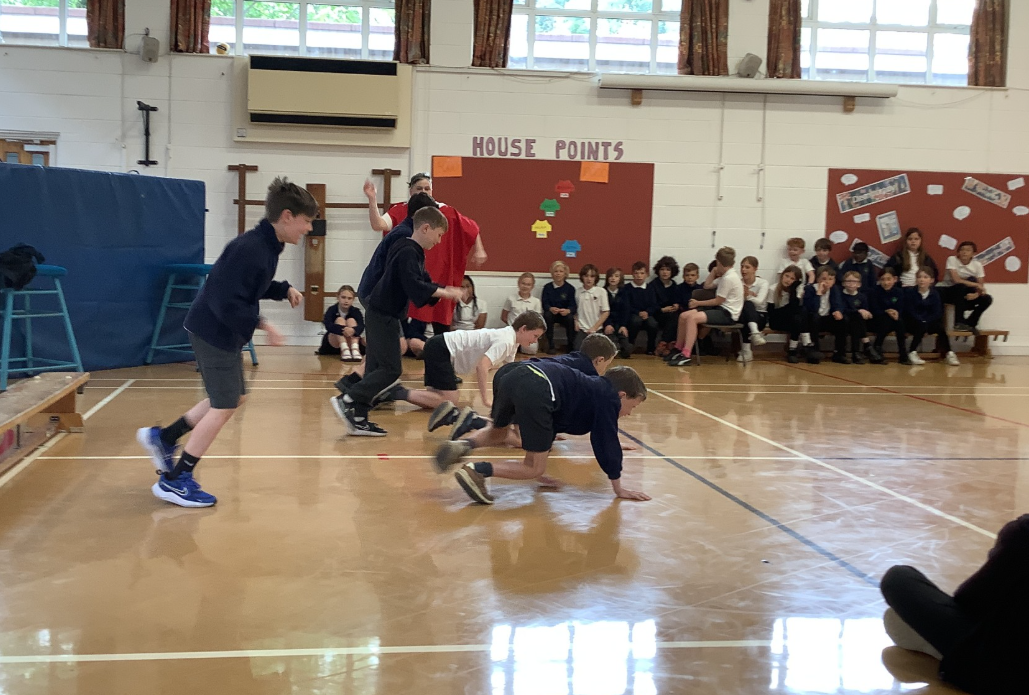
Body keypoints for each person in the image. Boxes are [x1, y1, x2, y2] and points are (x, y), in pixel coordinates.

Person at [136, 177, 317, 507]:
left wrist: (282, 289)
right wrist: (264, 324)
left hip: (221, 331)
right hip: (213, 332)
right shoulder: (252, 248)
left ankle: (164, 437)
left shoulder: (267, 245)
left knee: (234, 397)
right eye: (306, 221)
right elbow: (225, 299)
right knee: (224, 405)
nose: (308, 229)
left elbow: (251, 284)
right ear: (287, 216)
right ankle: (176, 481)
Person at [433, 364, 650, 505]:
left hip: (514, 376)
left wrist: (540, 465)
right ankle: (477, 471)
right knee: (533, 467)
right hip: (538, 388)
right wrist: (618, 487)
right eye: (633, 406)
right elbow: (605, 442)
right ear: (622, 395)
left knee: (499, 431)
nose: (629, 413)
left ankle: (463, 445)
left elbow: (552, 422)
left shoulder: (587, 387)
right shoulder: (608, 399)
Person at [333, 207, 463, 436]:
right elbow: (414, 285)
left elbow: (422, 281)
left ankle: (358, 418)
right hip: (382, 315)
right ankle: (349, 398)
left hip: (383, 314)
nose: (439, 240)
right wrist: (444, 292)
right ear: (426, 228)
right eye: (439, 234)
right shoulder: (407, 251)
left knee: (375, 368)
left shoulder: (412, 250)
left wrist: (441, 290)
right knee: (391, 370)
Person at [880, 514, 1029, 695]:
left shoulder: (1022, 533)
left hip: (996, 671)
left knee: (898, 578)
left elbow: (969, 600)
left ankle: (939, 649)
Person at [364, 174, 486, 336]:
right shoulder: (404, 232)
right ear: (410, 191)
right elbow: (378, 224)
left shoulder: (443, 212)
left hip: (428, 277)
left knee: (435, 327)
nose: (423, 192)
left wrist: (479, 249)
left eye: (427, 189)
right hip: (387, 292)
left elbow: (472, 228)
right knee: (397, 335)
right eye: (419, 188)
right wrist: (372, 199)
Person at [394, 310, 545, 417]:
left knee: (437, 399)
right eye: (535, 336)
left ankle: (396, 392)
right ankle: (396, 392)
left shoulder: (512, 341)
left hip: (440, 346)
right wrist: (486, 400)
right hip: (441, 348)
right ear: (523, 329)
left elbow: (508, 373)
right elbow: (482, 366)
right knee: (449, 400)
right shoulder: (506, 341)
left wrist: (511, 400)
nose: (535, 341)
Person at [666, 247, 744, 367]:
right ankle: (678, 348)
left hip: (728, 314)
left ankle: (686, 354)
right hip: (720, 309)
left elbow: (718, 301)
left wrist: (698, 303)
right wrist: (713, 272)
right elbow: (707, 286)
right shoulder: (725, 276)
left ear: (719, 262)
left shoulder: (729, 278)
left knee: (692, 318)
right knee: (684, 316)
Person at [903, 267, 959, 366]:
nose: (922, 279)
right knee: (920, 326)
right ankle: (912, 352)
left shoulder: (935, 294)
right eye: (919, 277)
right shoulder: (910, 293)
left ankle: (949, 353)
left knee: (941, 329)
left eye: (925, 277)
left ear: (931, 280)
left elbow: (937, 312)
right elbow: (910, 311)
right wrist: (921, 321)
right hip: (914, 323)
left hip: (928, 323)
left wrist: (926, 321)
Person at [938, 241, 992, 332]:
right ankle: (958, 322)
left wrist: (976, 294)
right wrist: (976, 285)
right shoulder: (952, 259)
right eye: (962, 250)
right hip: (949, 291)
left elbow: (981, 285)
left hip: (964, 294)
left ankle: (970, 323)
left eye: (968, 250)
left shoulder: (977, 265)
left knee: (987, 299)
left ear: (973, 254)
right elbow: (956, 280)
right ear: (958, 252)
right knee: (960, 286)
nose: (964, 252)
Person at [802, 266, 847, 364]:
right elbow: (812, 309)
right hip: (812, 320)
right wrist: (818, 294)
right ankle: (814, 351)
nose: (827, 282)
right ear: (818, 279)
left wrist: (838, 311)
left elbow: (838, 303)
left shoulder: (834, 289)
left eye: (831, 279)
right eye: (824, 279)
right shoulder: (810, 289)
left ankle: (839, 353)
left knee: (842, 320)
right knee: (815, 318)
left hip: (827, 319)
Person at [767, 264, 810, 363]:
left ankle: (792, 350)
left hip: (791, 320)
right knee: (799, 311)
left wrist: (793, 290)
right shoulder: (773, 289)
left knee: (798, 317)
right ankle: (806, 343)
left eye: (792, 279)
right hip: (776, 319)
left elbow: (794, 306)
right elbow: (771, 312)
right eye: (787, 276)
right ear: (782, 275)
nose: (788, 280)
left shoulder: (796, 290)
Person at [839, 270, 883, 364]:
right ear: (843, 283)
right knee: (857, 318)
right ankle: (865, 345)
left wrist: (866, 313)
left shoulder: (862, 297)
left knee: (857, 321)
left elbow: (865, 311)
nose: (851, 284)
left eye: (854, 281)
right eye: (848, 281)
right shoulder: (840, 295)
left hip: (857, 324)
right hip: (844, 323)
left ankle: (857, 352)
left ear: (859, 284)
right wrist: (858, 311)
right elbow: (843, 310)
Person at [870, 267, 909, 364]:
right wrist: (886, 311)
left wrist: (896, 312)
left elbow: (901, 308)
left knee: (898, 321)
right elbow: (874, 310)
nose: (886, 283)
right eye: (883, 279)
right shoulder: (875, 292)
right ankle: (877, 349)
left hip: (893, 321)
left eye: (888, 279)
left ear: (895, 279)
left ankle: (902, 353)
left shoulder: (899, 292)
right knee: (887, 319)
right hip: (876, 320)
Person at [317, 285, 364, 361]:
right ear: (338, 297)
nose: (346, 301)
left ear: (353, 299)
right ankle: (344, 349)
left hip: (350, 340)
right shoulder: (331, 310)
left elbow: (361, 326)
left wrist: (353, 330)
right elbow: (328, 325)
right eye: (343, 297)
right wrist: (343, 329)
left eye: (349, 298)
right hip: (334, 343)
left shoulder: (356, 311)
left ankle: (355, 349)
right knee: (340, 320)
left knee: (351, 320)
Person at [737, 256, 770, 362]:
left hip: (760, 315)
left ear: (755, 269)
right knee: (746, 310)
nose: (743, 270)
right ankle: (755, 334)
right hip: (742, 313)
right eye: (742, 266)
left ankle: (746, 351)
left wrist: (746, 296)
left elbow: (759, 301)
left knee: (748, 305)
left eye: (747, 267)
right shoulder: (738, 283)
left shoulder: (763, 283)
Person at [541, 261, 577, 353]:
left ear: (565, 273)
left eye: (561, 271)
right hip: (552, 314)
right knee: (547, 315)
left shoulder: (570, 288)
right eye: (556, 271)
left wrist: (568, 310)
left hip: (564, 315)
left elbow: (573, 305)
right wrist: (550, 308)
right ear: (552, 273)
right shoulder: (547, 287)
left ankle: (570, 346)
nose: (558, 273)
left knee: (570, 319)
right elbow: (545, 303)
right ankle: (550, 345)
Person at [573, 264, 610, 350]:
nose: (589, 279)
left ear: (595, 278)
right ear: (582, 277)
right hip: (582, 329)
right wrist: (576, 321)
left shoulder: (601, 291)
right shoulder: (578, 292)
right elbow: (575, 310)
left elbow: (606, 312)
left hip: (596, 329)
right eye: (586, 276)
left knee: (596, 352)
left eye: (592, 276)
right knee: (578, 350)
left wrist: (594, 328)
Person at [649, 256, 679, 355]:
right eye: (662, 269)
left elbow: (676, 300)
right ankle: (666, 344)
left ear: (672, 271)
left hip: (670, 313)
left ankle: (664, 344)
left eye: (668, 270)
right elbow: (651, 304)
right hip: (657, 313)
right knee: (672, 318)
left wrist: (676, 305)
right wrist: (662, 309)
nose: (665, 272)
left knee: (676, 316)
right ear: (658, 271)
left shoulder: (674, 285)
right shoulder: (653, 285)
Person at [626, 261, 658, 355]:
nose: (639, 276)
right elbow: (627, 305)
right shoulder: (627, 288)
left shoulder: (650, 288)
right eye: (636, 273)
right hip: (633, 314)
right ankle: (630, 345)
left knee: (653, 324)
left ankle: (651, 348)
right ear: (632, 274)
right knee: (635, 321)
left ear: (646, 275)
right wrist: (638, 312)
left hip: (647, 314)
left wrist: (647, 312)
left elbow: (654, 304)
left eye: (642, 273)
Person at [602, 267, 633, 358]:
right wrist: (607, 324)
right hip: (607, 324)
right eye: (611, 276)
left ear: (620, 278)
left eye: (616, 276)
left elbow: (626, 310)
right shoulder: (602, 291)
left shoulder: (625, 292)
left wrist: (623, 325)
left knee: (627, 351)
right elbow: (601, 311)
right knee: (613, 350)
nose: (613, 278)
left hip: (620, 324)